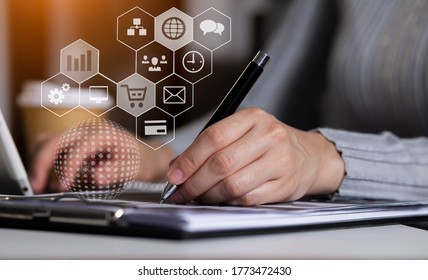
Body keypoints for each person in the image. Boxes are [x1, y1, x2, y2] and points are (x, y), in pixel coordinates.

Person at [30, 0, 428, 205]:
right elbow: (269, 98)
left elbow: (300, 150)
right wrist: (161, 159)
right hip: (329, 231)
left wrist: (327, 159)